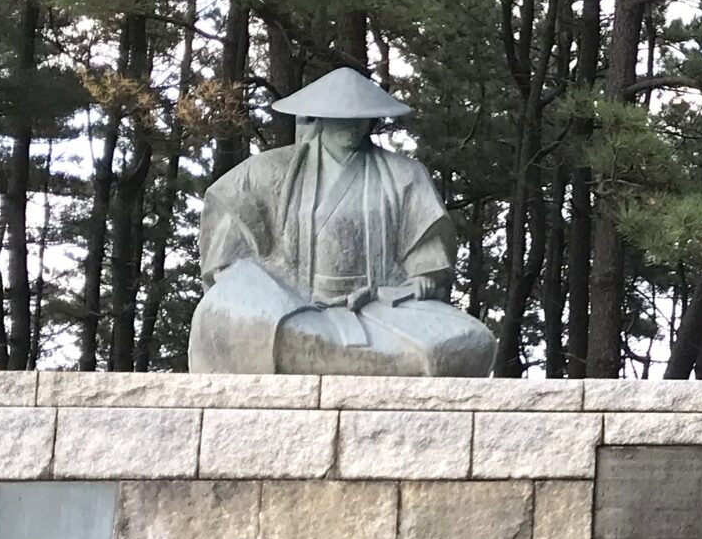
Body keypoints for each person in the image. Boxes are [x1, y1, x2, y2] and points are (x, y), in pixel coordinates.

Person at [188, 67, 497, 375]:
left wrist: (420, 279)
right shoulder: (270, 170)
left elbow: (425, 261)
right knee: (225, 316)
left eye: (360, 119)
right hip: (294, 309)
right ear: (319, 118)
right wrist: (262, 293)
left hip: (382, 313)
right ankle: (320, 347)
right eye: (341, 119)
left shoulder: (405, 174)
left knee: (469, 342)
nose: (351, 127)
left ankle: (321, 353)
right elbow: (230, 248)